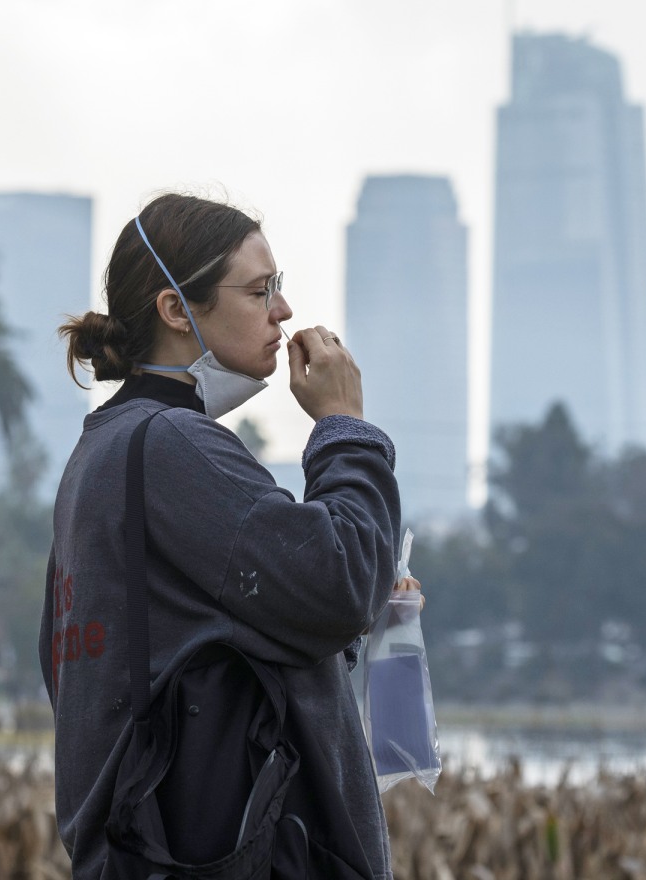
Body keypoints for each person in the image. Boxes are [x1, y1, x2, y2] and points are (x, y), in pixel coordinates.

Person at [42, 192, 410, 879]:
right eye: (259, 289)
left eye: (281, 287)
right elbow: (341, 586)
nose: (284, 312)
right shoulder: (171, 445)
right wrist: (342, 429)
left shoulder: (101, 453)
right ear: (177, 310)